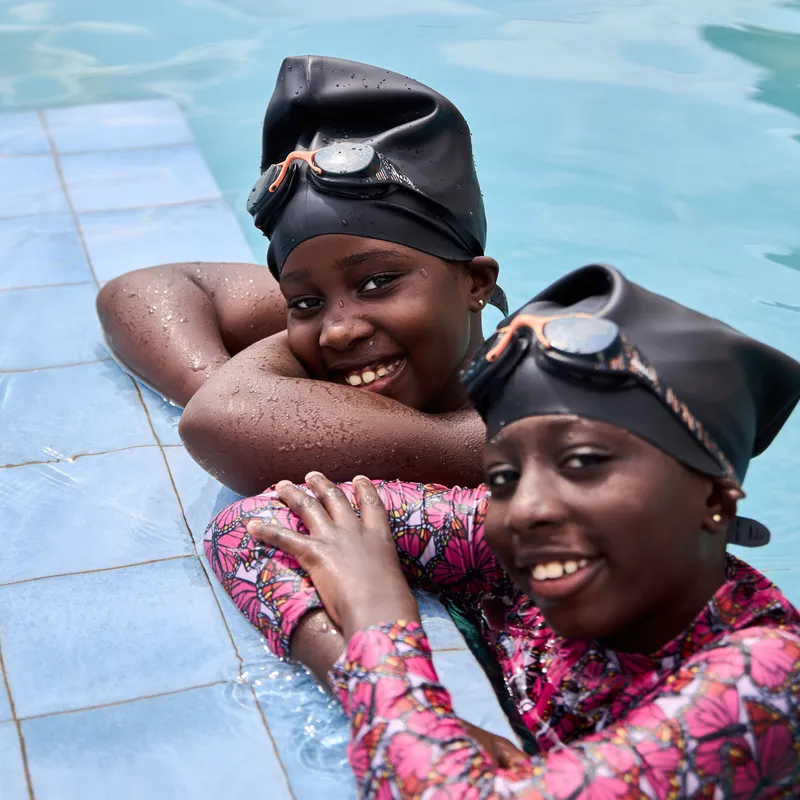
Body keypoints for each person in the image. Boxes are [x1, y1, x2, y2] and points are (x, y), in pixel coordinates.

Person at [206, 263, 800, 797]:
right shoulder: (514, 548)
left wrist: (381, 627)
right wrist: (376, 687)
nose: (525, 507)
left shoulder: (764, 675)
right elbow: (252, 526)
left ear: (714, 502)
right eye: (505, 474)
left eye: (584, 463)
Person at [96, 55, 508, 496]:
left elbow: (221, 416)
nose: (338, 332)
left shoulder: (537, 406)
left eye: (377, 282)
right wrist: (262, 384)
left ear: (475, 283)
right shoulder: (341, 326)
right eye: (306, 301)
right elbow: (140, 292)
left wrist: (460, 447)